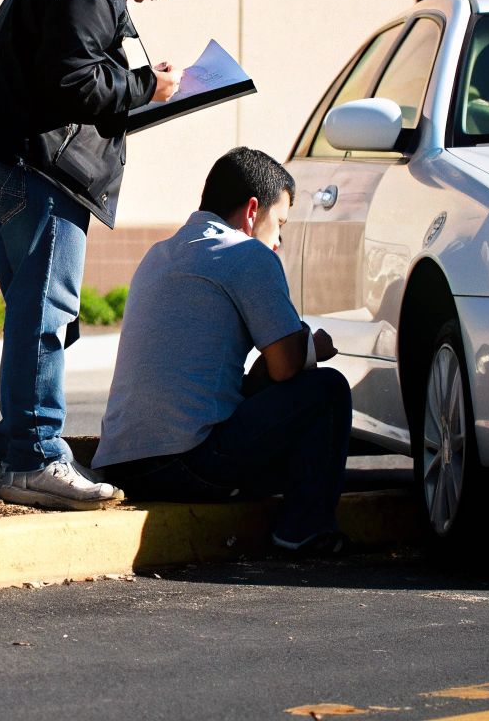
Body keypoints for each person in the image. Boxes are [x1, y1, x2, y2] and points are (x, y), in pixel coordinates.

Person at [0, 0, 203, 509]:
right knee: (46, 316)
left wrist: (137, 81)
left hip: (0, 156)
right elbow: (72, 82)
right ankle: (34, 457)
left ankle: (19, 453)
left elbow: (65, 71)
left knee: (34, 313)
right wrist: (148, 88)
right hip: (38, 167)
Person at [92, 147, 354, 553]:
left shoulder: (158, 254)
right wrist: (312, 347)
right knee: (328, 390)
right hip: (188, 464)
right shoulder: (246, 253)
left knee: (261, 381)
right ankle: (305, 528)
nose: (279, 241)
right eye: (279, 223)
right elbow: (286, 366)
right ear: (253, 211)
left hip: (120, 465)